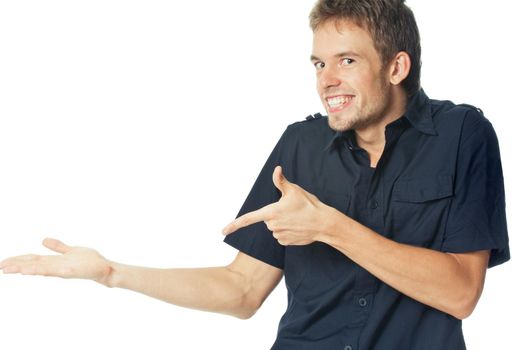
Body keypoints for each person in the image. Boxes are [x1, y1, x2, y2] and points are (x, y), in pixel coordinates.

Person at [0, 0, 510, 349]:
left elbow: (460, 293)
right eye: (317, 64)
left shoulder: (462, 133)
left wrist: (330, 227)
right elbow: (242, 290)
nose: (326, 80)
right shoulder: (301, 144)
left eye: (346, 60)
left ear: (397, 67)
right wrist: (112, 273)